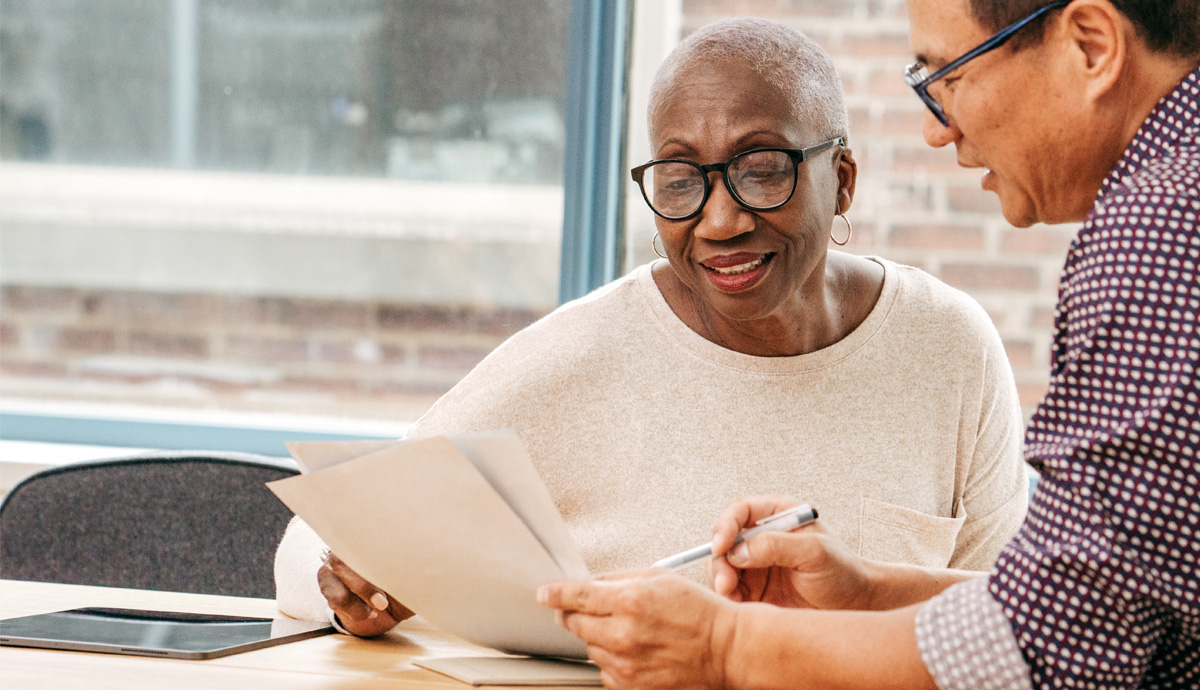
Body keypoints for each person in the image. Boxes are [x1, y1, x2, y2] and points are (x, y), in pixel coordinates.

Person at [274, 18, 1030, 639]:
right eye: (679, 179)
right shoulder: (576, 357)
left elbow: (1011, 631)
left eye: (762, 168)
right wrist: (355, 587)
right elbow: (316, 540)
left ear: (844, 181)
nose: (720, 219)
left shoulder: (949, 349)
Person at [538, 0, 1200, 687]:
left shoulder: (1157, 235)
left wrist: (724, 645)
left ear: (1091, 46)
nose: (937, 128)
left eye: (950, 76)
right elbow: (1105, 605)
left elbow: (1055, 647)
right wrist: (865, 594)